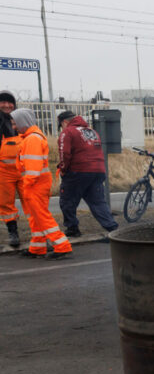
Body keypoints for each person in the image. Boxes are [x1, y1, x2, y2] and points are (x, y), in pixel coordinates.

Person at [9, 108, 73, 259]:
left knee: (41, 217)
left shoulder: (32, 139)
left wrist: (27, 184)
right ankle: (37, 248)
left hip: (34, 185)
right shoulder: (31, 137)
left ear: (22, 122)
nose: (14, 127)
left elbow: (33, 168)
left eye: (15, 123)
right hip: (36, 184)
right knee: (36, 217)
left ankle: (62, 246)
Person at [56, 110, 118, 237]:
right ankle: (113, 228)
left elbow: (65, 153)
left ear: (64, 122)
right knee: (98, 202)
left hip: (78, 171)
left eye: (61, 125)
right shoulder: (92, 131)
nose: (61, 128)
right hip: (98, 171)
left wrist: (63, 169)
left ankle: (72, 228)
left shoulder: (67, 132)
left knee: (67, 200)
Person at [0, 90, 21, 247]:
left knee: (31, 201)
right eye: (3, 102)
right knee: (6, 204)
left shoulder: (20, 120)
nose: (7, 105)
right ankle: (13, 233)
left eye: (10, 102)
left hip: (24, 169)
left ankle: (39, 233)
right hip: (3, 171)